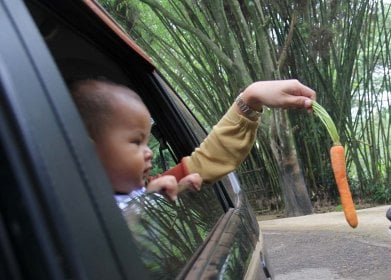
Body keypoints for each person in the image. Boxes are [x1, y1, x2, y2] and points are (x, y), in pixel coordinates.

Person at [69, 78, 315, 206]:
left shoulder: (148, 186)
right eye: (136, 143)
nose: (149, 153)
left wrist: (250, 98)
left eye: (147, 143)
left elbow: (205, 163)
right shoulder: (73, 215)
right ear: (88, 152)